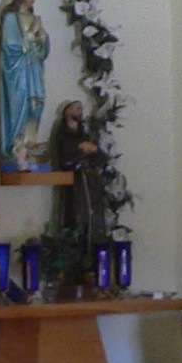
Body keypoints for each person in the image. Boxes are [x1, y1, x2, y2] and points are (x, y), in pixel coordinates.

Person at [0, 0, 50, 171]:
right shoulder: (11, 18)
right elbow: (10, 46)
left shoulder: (33, 17)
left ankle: (31, 142)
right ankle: (17, 146)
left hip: (34, 69)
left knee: (37, 104)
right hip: (18, 72)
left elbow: (43, 49)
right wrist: (33, 33)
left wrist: (42, 38)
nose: (32, 0)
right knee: (20, 106)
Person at [49, 99, 111, 250]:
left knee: (93, 220)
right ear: (67, 112)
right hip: (74, 185)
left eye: (80, 108)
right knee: (75, 221)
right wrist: (81, 150)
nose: (80, 111)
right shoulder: (62, 136)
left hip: (90, 182)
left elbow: (102, 159)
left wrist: (94, 150)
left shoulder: (85, 135)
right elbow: (63, 160)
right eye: (76, 108)